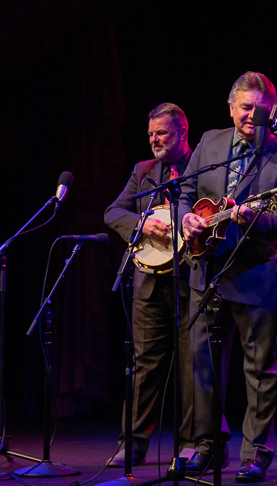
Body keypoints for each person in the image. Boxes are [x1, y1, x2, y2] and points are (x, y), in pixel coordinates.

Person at [179, 71, 277, 483]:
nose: (252, 115)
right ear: (231, 107)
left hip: (255, 275)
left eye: (260, 109)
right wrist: (187, 221)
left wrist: (256, 218)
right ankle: (207, 446)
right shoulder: (210, 142)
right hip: (207, 269)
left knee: (260, 370)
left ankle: (256, 454)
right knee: (203, 364)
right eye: (245, 107)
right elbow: (185, 192)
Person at [104, 103, 195, 466]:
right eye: (151, 135)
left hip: (189, 277)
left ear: (182, 133)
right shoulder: (143, 172)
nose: (154, 140)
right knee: (145, 363)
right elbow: (113, 211)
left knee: (193, 362)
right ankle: (133, 442)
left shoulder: (199, 167)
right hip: (147, 282)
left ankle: (194, 443)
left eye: (162, 133)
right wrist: (142, 224)